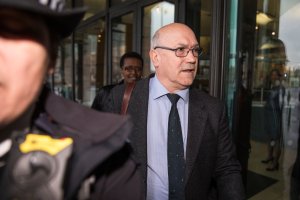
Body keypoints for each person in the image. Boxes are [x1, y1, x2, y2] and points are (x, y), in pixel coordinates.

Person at [0, 0, 142, 199]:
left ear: (51, 59)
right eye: (129, 68)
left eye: (13, 30)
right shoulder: (107, 93)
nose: (133, 73)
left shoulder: (105, 166)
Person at [109, 23, 245, 199]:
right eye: (181, 49)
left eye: (195, 50)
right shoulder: (121, 98)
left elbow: (227, 169)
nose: (192, 59)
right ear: (155, 57)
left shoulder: (213, 109)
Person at [261, 69, 285, 171]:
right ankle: (269, 157)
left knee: (276, 140)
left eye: (275, 75)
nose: (273, 77)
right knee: (270, 138)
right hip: (269, 115)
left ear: (279, 77)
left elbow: (280, 104)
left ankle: (275, 163)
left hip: (275, 116)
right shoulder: (272, 87)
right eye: (272, 75)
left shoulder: (281, 89)